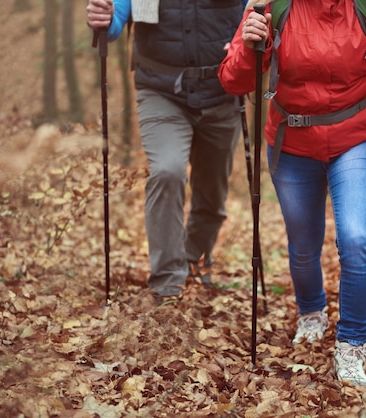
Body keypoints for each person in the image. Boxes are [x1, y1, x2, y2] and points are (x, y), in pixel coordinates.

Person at [218, 0, 366, 386]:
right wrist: (254, 45)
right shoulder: (270, 6)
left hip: (359, 136)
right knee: (303, 243)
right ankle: (311, 313)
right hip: (292, 142)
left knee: (356, 237)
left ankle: (352, 346)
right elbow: (234, 81)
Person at [86, 0, 248, 301]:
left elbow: (255, 8)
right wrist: (105, 20)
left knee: (212, 196)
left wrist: (250, 39)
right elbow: (116, 17)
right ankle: (168, 281)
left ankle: (193, 260)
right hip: (161, 91)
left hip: (222, 91)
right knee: (167, 171)